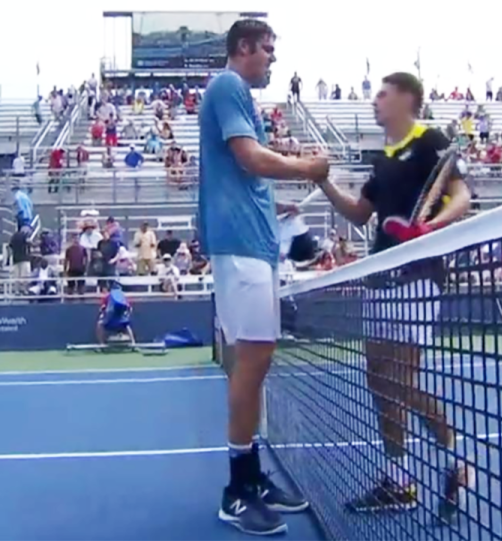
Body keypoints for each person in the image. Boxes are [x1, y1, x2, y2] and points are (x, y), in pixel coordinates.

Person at [311, 72, 473, 519]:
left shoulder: (430, 141)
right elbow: (360, 214)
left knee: (400, 380)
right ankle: (398, 480)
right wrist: (324, 182)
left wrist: (431, 227)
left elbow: (460, 193)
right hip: (380, 279)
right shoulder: (381, 160)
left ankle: (455, 461)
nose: (376, 101)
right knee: (379, 382)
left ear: (407, 98)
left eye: (383, 93)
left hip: (418, 277)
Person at [199, 18, 329, 536]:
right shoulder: (229, 85)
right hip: (240, 249)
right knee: (252, 361)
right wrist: (307, 167)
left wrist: (278, 212)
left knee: (257, 359)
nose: (273, 58)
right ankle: (237, 489)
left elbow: (246, 176)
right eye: (268, 50)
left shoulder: (241, 98)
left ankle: (251, 475)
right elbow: (249, 159)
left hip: (254, 244)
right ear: (244, 48)